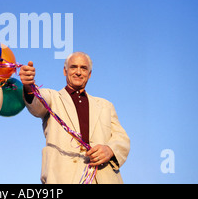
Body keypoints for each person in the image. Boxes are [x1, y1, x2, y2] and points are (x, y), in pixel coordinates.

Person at [19, 52, 130, 184]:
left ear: (89, 74)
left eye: (83, 68)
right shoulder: (53, 98)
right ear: (65, 71)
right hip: (64, 178)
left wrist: (110, 149)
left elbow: (122, 138)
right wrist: (28, 86)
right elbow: (37, 102)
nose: (78, 72)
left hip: (104, 178)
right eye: (73, 67)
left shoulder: (106, 105)